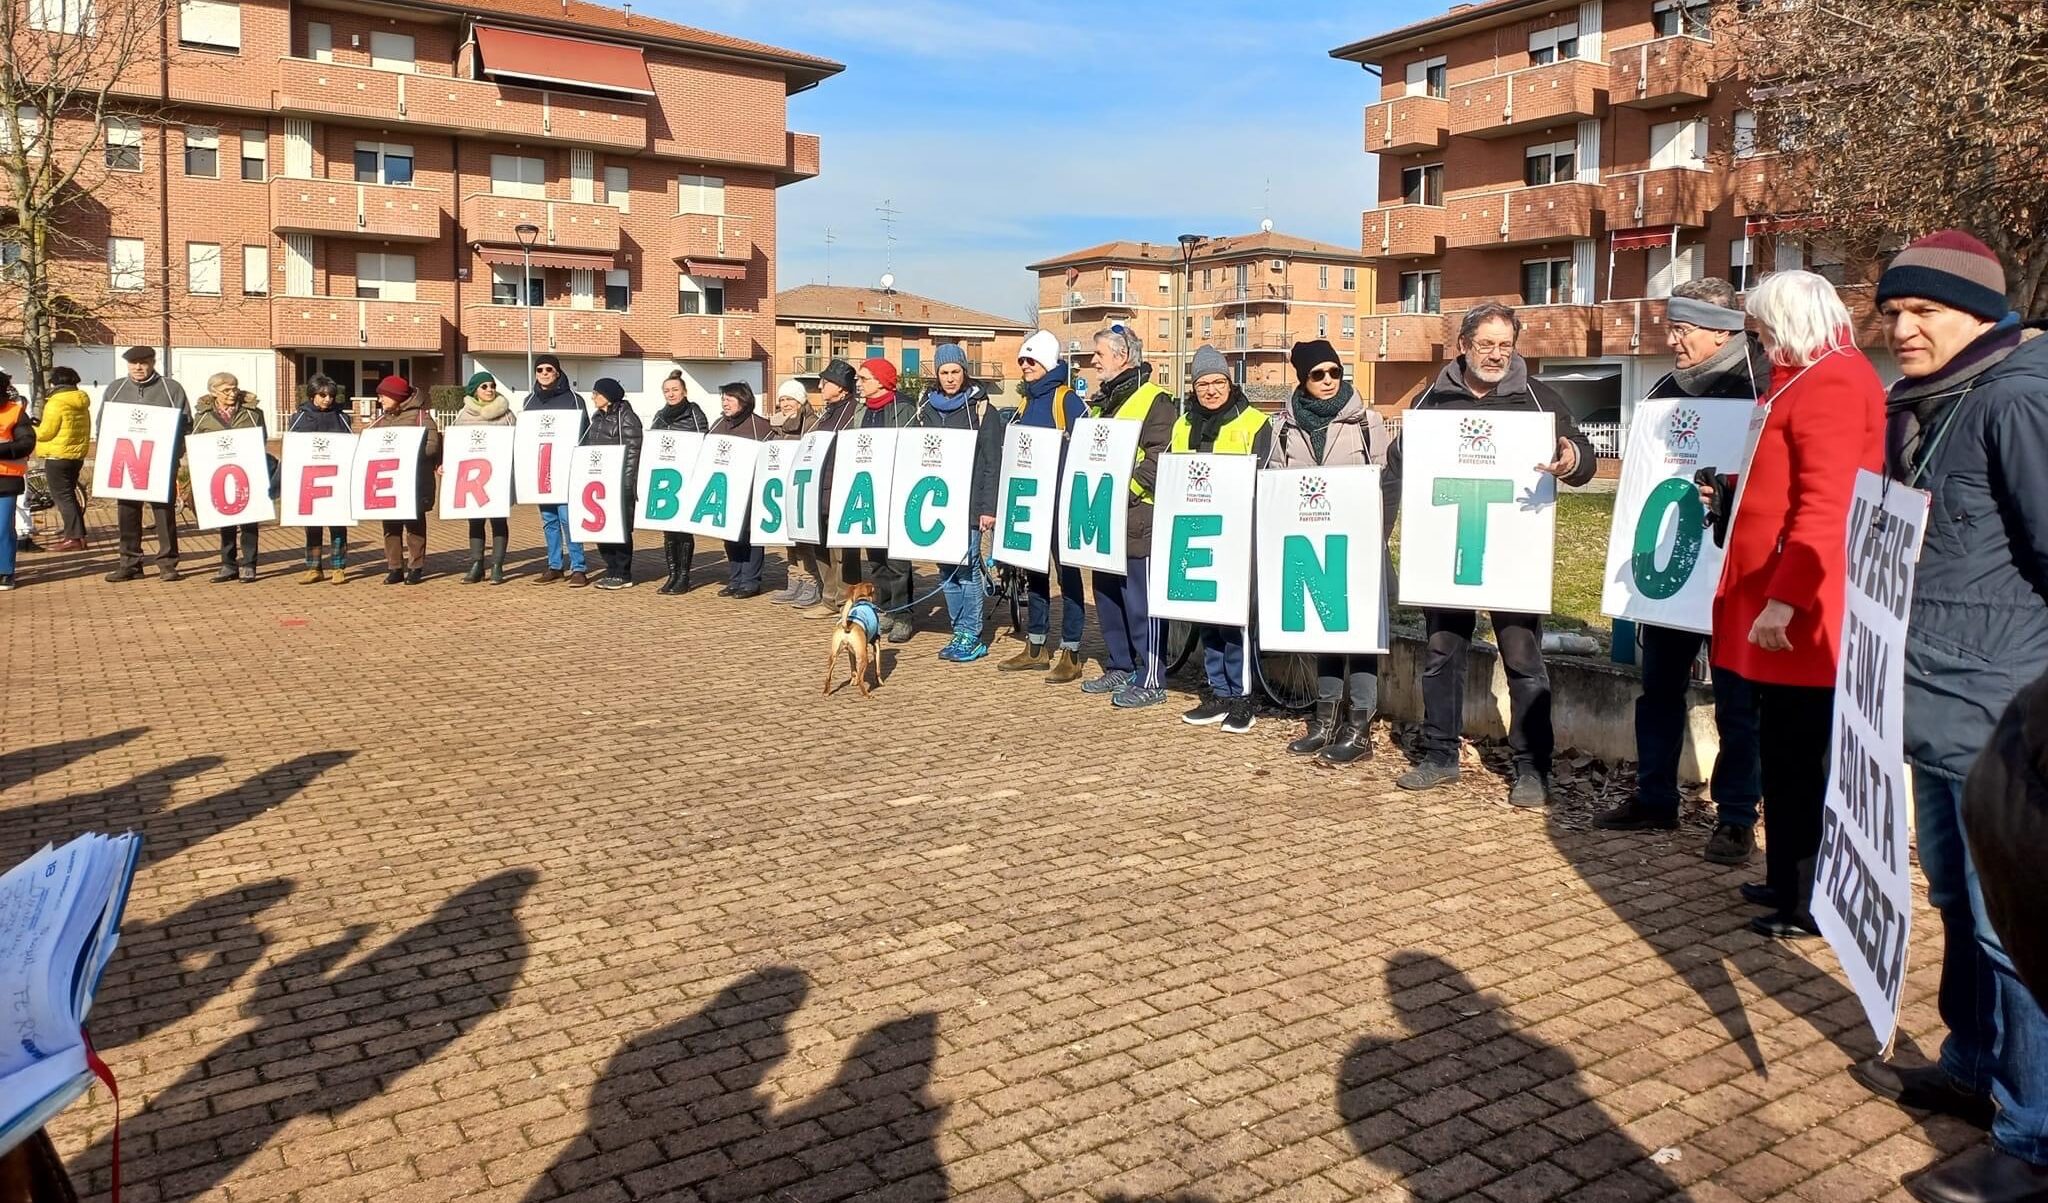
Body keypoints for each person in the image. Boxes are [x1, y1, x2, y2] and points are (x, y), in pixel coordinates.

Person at [1848, 231, 2048, 1202]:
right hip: (1927, 710)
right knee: (1957, 909)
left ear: (1981, 314)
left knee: (2011, 933)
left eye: (1924, 311)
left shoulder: (2017, 398)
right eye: (1893, 311)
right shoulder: (1925, 407)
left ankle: (2031, 1136)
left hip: (1999, 725)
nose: (1903, 328)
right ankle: (1971, 1064)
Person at [1702, 270, 1883, 939]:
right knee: (1783, 745)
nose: (1761, 340)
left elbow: (1825, 503)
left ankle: (1807, 896)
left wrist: (1784, 600)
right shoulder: (1807, 377)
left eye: (1764, 328)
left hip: (1800, 604)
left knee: (1801, 752)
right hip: (1774, 593)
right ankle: (1787, 878)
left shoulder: (1831, 380)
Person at [1388, 303, 1598, 805]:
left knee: (1524, 661)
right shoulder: (1429, 401)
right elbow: (1398, 462)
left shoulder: (1539, 399)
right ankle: (1439, 755)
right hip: (1448, 551)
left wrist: (1572, 459)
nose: (1496, 354)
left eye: (1505, 345)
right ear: (1463, 346)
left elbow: (1582, 456)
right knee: (1441, 655)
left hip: (1513, 552)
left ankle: (1532, 768)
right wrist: (1402, 460)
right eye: (1486, 344)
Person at [1593, 279, 1767, 865]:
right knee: (1659, 688)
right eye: (1672, 329)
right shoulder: (1666, 390)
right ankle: (1655, 796)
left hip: (1734, 572)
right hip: (1673, 573)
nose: (1672, 341)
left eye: (1682, 330)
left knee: (1738, 702)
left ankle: (1737, 818)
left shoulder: (1761, 386)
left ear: (1721, 330)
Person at [1266, 338, 1392, 763]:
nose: (1327, 380)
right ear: (1302, 377)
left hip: (1358, 545)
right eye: (1317, 374)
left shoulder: (1367, 422)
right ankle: (1323, 721)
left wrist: (1379, 531)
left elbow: (1386, 482)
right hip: (1310, 544)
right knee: (1322, 632)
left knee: (1361, 636)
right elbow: (1275, 485)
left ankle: (1359, 729)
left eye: (1334, 372)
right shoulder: (1283, 427)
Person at [1174, 346, 1272, 732]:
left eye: (1218, 382)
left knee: (1234, 621)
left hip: (1239, 535)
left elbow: (1262, 479)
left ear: (1231, 384)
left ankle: (1242, 698)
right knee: (1207, 618)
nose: (1211, 390)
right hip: (1198, 531)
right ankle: (1217, 692)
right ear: (1193, 388)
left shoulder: (1254, 422)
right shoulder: (1184, 425)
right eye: (1203, 384)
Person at [1082, 324, 1176, 709]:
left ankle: (1151, 677)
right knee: (1107, 597)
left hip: (1138, 518)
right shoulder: (1103, 402)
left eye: (1099, 354)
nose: (1092, 361)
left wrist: (1128, 492)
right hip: (1104, 519)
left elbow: (1160, 455)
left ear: (1122, 356)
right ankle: (1121, 663)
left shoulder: (1155, 401)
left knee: (1141, 603)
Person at [998, 330, 1091, 684]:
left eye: (1031, 360)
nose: (1024, 365)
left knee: (1068, 579)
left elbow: (1088, 450)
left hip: (1061, 503)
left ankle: (1071, 651)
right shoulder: (1026, 402)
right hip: (1032, 503)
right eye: (1022, 359)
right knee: (1033, 574)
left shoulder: (1066, 401)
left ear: (1048, 363)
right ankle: (1035, 646)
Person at [914, 344, 1005, 663]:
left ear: (965, 372)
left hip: (969, 505)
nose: (950, 378)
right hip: (939, 505)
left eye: (955, 371)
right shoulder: (925, 409)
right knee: (946, 572)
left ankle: (972, 632)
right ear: (936, 375)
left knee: (967, 571)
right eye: (944, 372)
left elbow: (993, 462)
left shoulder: (983, 411)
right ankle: (958, 630)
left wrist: (988, 508)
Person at [103, 345, 191, 582]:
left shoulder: (171, 388)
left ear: (153, 363)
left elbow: (186, 423)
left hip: (161, 461)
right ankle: (130, 562)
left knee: (163, 513)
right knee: (127, 513)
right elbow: (105, 423)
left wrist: (174, 451)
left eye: (143, 362)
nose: (138, 367)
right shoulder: (115, 388)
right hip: (126, 460)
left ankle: (167, 563)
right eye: (134, 363)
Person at [854, 358, 918, 640]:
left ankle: (903, 613)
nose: (858, 382)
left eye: (863, 378)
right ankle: (885, 607)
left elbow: (911, 448)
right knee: (877, 558)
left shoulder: (903, 408)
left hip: (895, 489)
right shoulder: (860, 410)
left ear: (880, 381)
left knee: (898, 560)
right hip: (870, 491)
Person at [798, 359, 867, 620]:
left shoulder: (854, 414)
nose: (820, 386)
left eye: (825, 382)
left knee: (844, 553)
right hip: (818, 490)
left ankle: (847, 601)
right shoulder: (826, 414)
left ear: (841, 387)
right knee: (822, 548)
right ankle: (829, 599)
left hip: (841, 490)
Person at [189, 372, 268, 582]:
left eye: (235, 388)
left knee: (249, 521)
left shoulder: (253, 413)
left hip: (247, 473)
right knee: (225, 521)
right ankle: (228, 564)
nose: (232, 394)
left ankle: (249, 564)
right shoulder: (203, 416)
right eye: (226, 390)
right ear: (213, 392)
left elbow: (262, 439)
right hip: (219, 475)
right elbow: (196, 444)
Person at [364, 374, 441, 585]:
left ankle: (416, 567)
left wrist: (406, 452)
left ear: (395, 396)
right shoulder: (382, 420)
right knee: (390, 527)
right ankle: (394, 567)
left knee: (415, 526)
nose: (380, 400)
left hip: (414, 482)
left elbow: (433, 446)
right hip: (389, 483)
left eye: (383, 396)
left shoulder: (421, 418)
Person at [523, 354, 590, 587]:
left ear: (558, 373)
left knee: (567, 519)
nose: (544, 373)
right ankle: (554, 566)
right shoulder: (529, 401)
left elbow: (584, 434)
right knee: (548, 519)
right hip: (542, 470)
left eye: (548, 369)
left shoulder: (574, 400)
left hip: (566, 469)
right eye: (539, 369)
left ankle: (579, 567)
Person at [451, 371, 515, 585]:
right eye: (484, 387)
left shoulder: (506, 414)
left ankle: (497, 565)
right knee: (475, 521)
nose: (489, 390)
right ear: (474, 390)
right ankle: (477, 564)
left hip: (498, 477)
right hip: (473, 479)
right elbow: (455, 447)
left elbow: (517, 442)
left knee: (498, 520)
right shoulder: (463, 415)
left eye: (492, 386)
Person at [288, 374, 352, 584]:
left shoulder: (342, 417)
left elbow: (350, 446)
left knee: (337, 525)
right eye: (322, 395)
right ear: (312, 395)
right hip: (310, 480)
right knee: (312, 526)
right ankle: (314, 567)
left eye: (331, 396)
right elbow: (291, 448)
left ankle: (338, 567)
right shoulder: (299, 417)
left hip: (336, 479)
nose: (327, 399)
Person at [708, 381, 770, 598]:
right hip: (726, 491)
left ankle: (751, 581)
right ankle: (735, 579)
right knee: (731, 537)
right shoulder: (718, 424)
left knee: (750, 538)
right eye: (723, 399)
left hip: (751, 491)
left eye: (729, 399)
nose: (725, 403)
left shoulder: (760, 426)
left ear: (743, 401)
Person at [651, 370, 709, 596]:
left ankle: (684, 576)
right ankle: (672, 574)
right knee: (668, 530)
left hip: (687, 477)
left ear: (684, 391)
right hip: (665, 479)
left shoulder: (694, 413)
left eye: (675, 390)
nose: (671, 394)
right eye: (667, 390)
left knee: (683, 531)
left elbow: (703, 440)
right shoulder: (659, 415)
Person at [582, 378, 643, 590]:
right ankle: (611, 569)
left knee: (620, 528)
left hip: (619, 483)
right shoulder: (597, 418)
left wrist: (627, 483)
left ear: (608, 395)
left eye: (596, 393)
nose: (593, 397)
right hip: (600, 482)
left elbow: (633, 451)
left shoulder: (627, 418)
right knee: (602, 526)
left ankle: (623, 573)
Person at [766, 378, 819, 606]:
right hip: (782, 486)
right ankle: (794, 578)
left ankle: (811, 582)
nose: (786, 403)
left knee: (804, 540)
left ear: (801, 400)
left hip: (802, 486)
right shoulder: (776, 426)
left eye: (790, 399)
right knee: (788, 539)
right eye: (782, 399)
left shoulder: (811, 423)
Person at [31, 365, 89, 550]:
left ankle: (73, 538)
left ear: (55, 382)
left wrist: (33, 428)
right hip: (75, 455)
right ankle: (79, 536)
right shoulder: (81, 401)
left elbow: (46, 433)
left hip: (58, 455)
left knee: (63, 497)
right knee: (70, 495)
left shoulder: (56, 402)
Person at [0, 371, 33, 591]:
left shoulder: (14, 412)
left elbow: (26, 442)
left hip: (5, 478)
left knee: (2, 527)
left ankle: (5, 571)